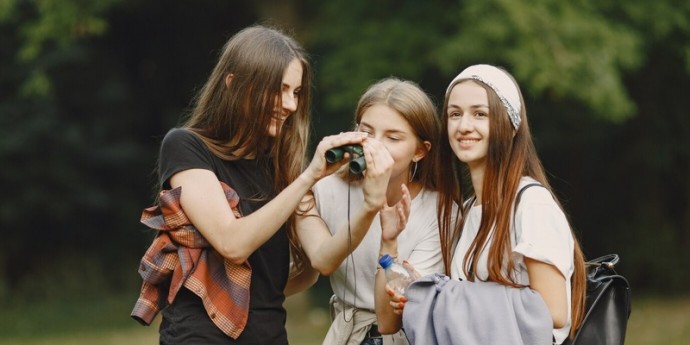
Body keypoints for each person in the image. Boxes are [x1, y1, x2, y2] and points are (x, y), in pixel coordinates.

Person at [130, 25, 370, 344]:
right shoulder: (187, 147)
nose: (290, 104)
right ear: (233, 84)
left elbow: (315, 265)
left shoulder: (283, 170)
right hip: (200, 336)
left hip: (270, 335)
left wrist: (373, 202)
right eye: (278, 88)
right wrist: (309, 177)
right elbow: (231, 242)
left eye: (295, 92)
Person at [386, 64, 587, 344]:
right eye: (454, 114)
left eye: (480, 114)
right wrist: (422, 295)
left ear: (511, 124)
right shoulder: (468, 209)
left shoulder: (532, 204)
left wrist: (442, 297)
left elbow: (553, 310)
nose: (464, 126)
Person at [295, 77, 445, 345]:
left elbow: (391, 318)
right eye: (367, 132)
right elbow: (319, 263)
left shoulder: (441, 211)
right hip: (347, 334)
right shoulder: (326, 190)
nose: (374, 146)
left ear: (420, 151)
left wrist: (389, 240)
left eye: (393, 137)